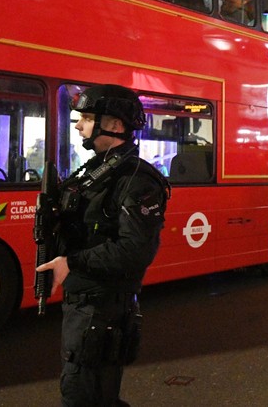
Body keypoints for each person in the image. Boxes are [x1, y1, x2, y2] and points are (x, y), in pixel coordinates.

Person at [35, 84, 170, 407]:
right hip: (85, 304)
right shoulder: (97, 170)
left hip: (103, 307)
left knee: (84, 395)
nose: (78, 125)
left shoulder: (137, 180)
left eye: (86, 118)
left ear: (114, 125)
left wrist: (73, 263)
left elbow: (135, 250)